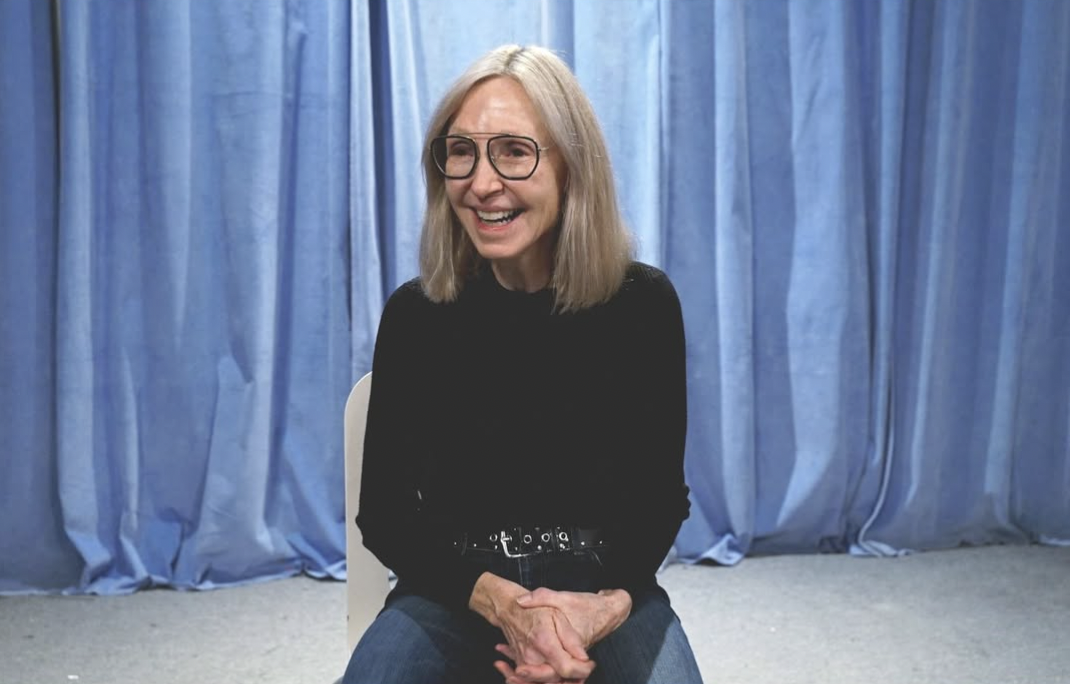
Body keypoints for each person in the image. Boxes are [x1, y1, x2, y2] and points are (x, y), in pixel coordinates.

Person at [342, 44, 703, 684]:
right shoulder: (415, 315)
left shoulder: (643, 304)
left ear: (571, 167)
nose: (482, 184)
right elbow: (387, 516)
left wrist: (600, 609)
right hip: (453, 589)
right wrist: (502, 603)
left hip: (601, 590)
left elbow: (659, 501)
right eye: (461, 152)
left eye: (514, 151)